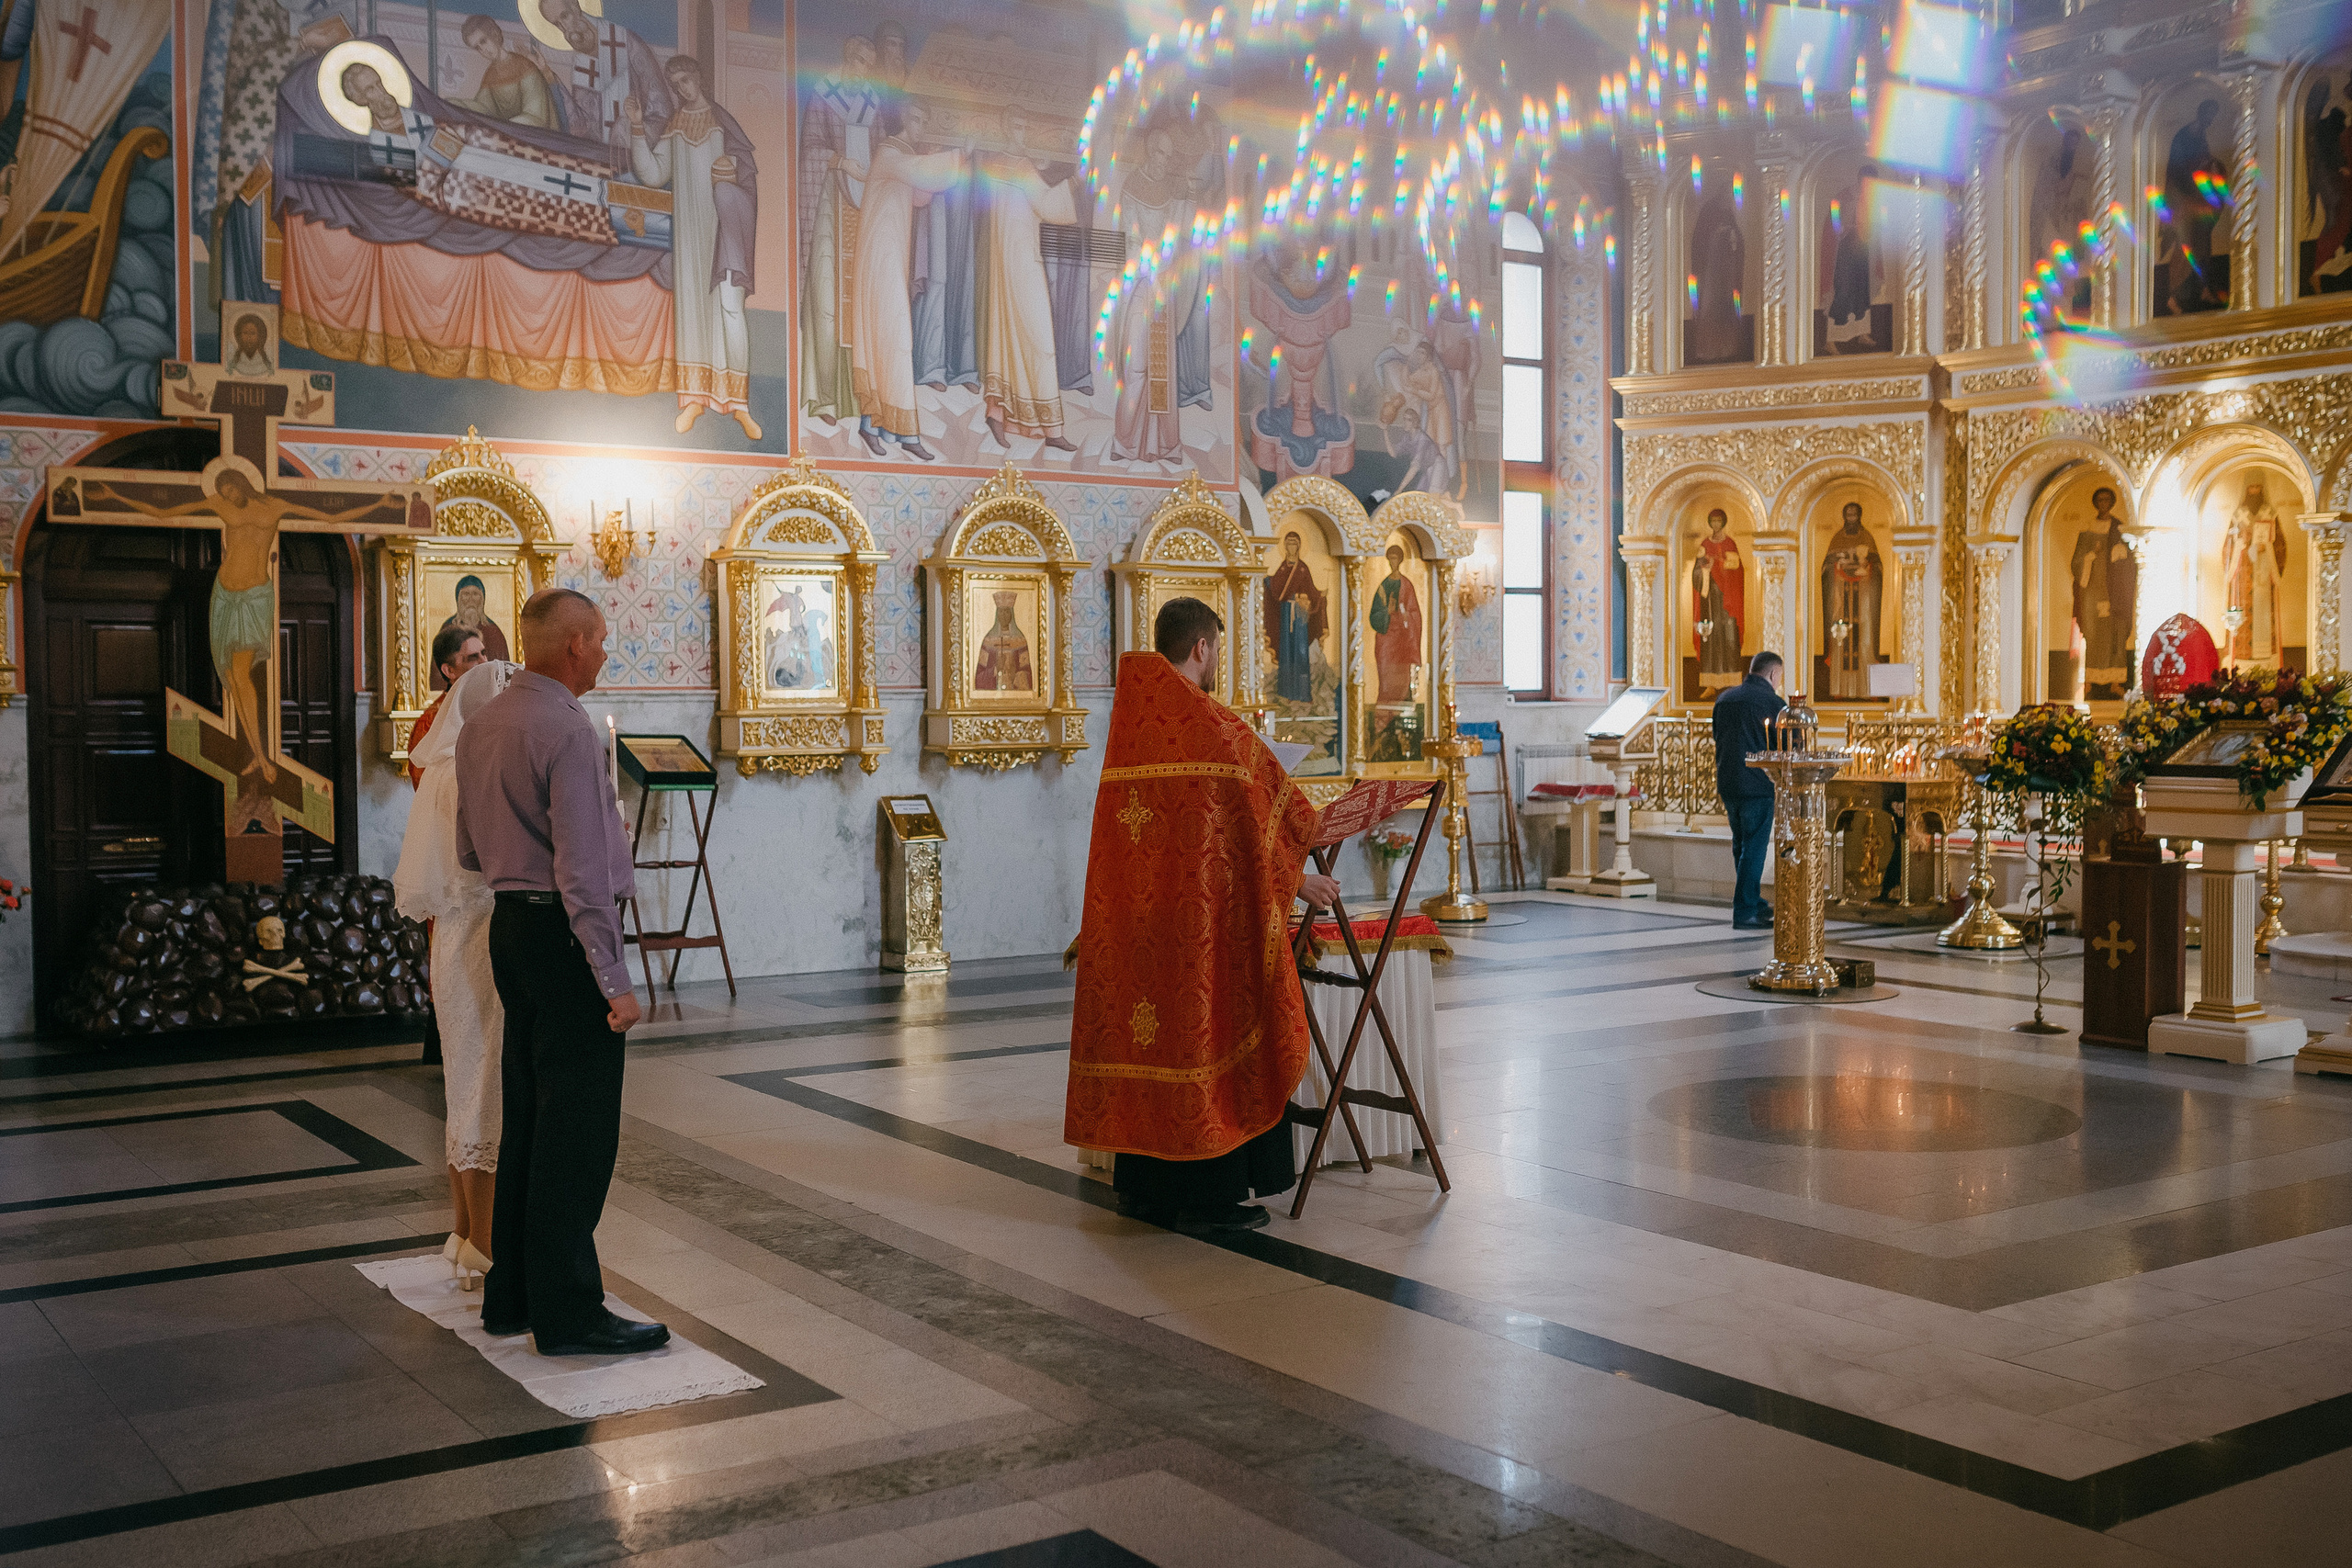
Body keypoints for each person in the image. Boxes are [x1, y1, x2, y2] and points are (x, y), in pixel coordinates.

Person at [1065, 597, 1340, 1233]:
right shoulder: (1214, 727)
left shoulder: (1134, 724)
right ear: (1202, 649)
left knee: (1150, 1037)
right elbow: (1255, 826)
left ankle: (1145, 1187)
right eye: (1216, 649)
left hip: (1140, 922)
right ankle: (1210, 1194)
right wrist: (1300, 881)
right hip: (1201, 931)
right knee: (1205, 1037)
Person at [456, 588, 663, 1357]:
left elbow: (469, 850)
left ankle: (512, 1294)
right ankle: (570, 1309)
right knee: (576, 1131)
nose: (606, 652)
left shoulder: (481, 723)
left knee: (531, 1116)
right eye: (602, 640)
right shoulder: (567, 729)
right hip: (565, 935)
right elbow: (581, 870)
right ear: (573, 644)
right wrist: (614, 978)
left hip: (512, 927)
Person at [394, 659, 519, 1291]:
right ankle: (487, 1245)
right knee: (487, 1089)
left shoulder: (438, 769)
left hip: (449, 937)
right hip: (485, 937)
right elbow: (502, 859)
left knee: (461, 1083)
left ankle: (464, 1230)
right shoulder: (477, 772)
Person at [627, 54, 762, 440]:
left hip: (726, 232)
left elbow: (747, 178)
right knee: (691, 313)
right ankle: (694, 401)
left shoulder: (724, 124)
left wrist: (732, 174)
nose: (683, 89)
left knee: (730, 310)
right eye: (677, 84)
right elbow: (654, 174)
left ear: (699, 78)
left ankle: (740, 406)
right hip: (690, 235)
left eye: (687, 80)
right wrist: (637, 128)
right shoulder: (676, 125)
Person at [847, 100, 965, 459]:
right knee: (895, 337)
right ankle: (904, 433)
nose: (921, 127)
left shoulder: (901, 158)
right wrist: (959, 152)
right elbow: (925, 173)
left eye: (924, 121)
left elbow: (919, 195)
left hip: (890, 257)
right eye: (917, 119)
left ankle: (876, 427)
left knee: (888, 339)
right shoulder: (889, 153)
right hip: (880, 259)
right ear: (902, 120)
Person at [977, 106, 1080, 453]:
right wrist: (1075, 181)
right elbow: (1050, 205)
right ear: (1006, 128)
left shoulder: (1002, 166)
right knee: (1038, 338)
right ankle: (1047, 428)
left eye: (1024, 126)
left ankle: (1003, 414)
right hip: (1018, 262)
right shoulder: (1017, 167)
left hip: (1010, 259)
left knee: (1014, 338)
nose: (1021, 133)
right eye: (1016, 126)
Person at [1713, 650, 1786, 931]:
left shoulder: (1724, 698)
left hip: (1729, 781)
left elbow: (1717, 736)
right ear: (1772, 674)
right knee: (1754, 848)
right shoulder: (1773, 702)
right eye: (1779, 676)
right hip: (1758, 784)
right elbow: (1787, 744)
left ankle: (1753, 902)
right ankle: (1745, 910)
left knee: (1741, 845)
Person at [452, 14, 557, 129]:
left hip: (535, 138)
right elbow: (483, 107)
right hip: (507, 133)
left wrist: (506, 126)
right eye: (477, 47)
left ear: (494, 34)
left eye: (483, 41)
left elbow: (536, 117)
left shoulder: (524, 66)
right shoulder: (491, 75)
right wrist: (456, 105)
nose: (483, 50)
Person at [435, 575, 511, 686]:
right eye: (473, 658)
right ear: (449, 671)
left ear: (482, 598)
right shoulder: (447, 628)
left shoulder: (494, 631)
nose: (484, 662)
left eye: (475, 594)